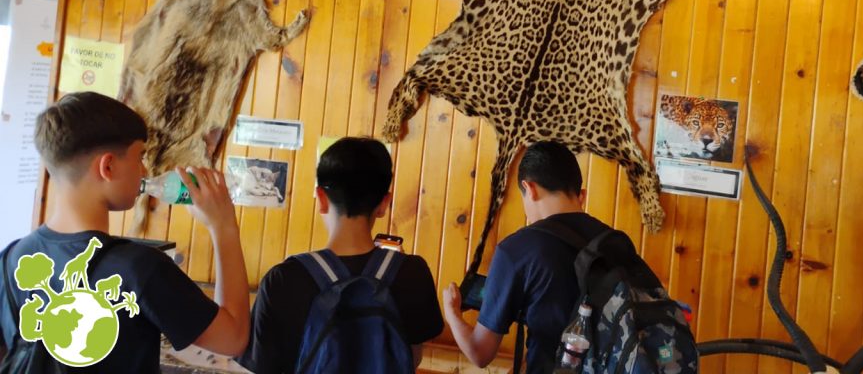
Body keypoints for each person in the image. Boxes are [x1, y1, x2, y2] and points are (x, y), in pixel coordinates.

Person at [0, 92, 250, 372]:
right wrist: (223, 226)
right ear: (107, 166)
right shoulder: (140, 268)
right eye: (140, 156)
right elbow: (233, 339)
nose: (144, 170)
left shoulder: (11, 257)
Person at [238, 137, 444, 373]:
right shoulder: (413, 273)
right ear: (383, 204)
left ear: (321, 199)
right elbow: (411, 359)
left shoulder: (283, 279)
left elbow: (264, 367)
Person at [442, 140, 611, 373]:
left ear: (529, 188)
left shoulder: (517, 250)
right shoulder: (614, 241)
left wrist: (452, 314)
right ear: (581, 195)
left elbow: (480, 353)